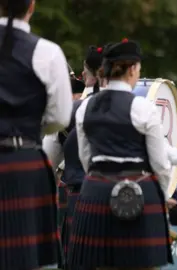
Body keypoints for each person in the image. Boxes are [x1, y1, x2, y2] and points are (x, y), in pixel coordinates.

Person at [68, 38, 172, 269]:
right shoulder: (144, 107)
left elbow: (86, 157)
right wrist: (160, 196)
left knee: (98, 264)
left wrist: (99, 179)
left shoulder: (85, 106)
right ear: (133, 69)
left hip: (94, 189)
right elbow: (160, 164)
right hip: (139, 190)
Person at [0, 0, 73, 269]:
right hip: (22, 159)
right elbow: (60, 118)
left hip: (22, 158)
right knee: (21, 259)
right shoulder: (48, 52)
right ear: (31, 6)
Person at [43, 44, 105, 268]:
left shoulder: (72, 111)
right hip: (125, 199)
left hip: (82, 198)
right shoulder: (139, 107)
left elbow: (47, 162)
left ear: (92, 73)